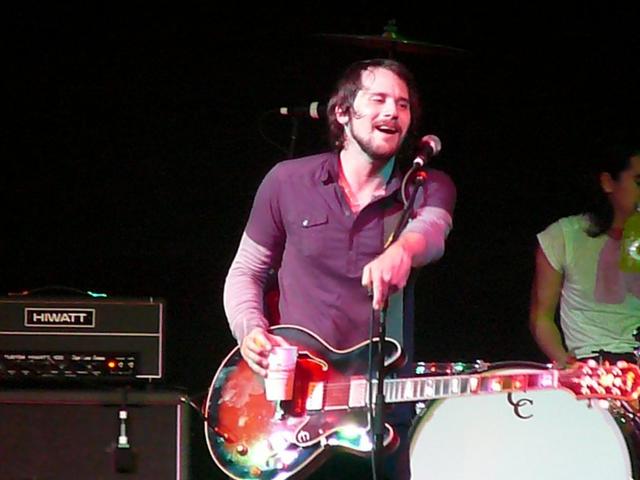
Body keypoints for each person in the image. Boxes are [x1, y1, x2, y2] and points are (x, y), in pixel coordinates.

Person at [223, 58, 456, 479]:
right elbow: (246, 272)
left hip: (379, 410)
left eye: (403, 104)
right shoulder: (287, 181)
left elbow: (433, 231)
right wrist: (250, 330)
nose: (392, 112)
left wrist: (404, 249)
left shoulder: (426, 186)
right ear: (343, 112)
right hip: (292, 404)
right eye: (379, 99)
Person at [530, 140, 640, 368]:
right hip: (589, 365)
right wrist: (566, 362)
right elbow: (541, 318)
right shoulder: (564, 236)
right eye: (638, 182)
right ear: (608, 182)